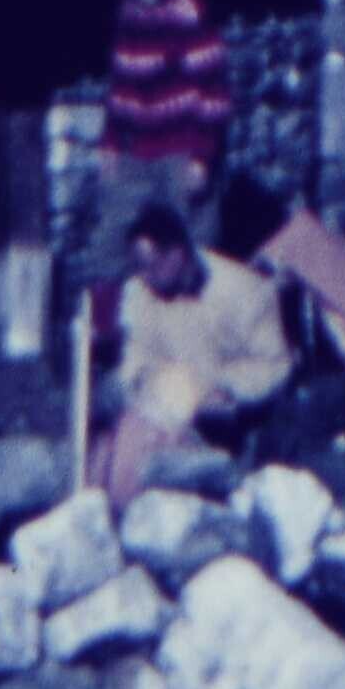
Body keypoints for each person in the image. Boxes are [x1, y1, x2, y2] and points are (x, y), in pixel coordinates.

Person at [98, 205, 296, 499]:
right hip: (168, 409)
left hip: (229, 420)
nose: (144, 276)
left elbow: (275, 366)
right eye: (138, 267)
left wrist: (226, 387)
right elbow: (137, 352)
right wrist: (141, 381)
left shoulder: (245, 291)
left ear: (177, 255)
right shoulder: (139, 292)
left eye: (150, 266)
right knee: (119, 440)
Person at [93, 0, 235, 258]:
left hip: (182, 146)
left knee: (193, 240)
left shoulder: (189, 15)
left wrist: (201, 159)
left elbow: (214, 95)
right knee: (113, 237)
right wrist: (111, 143)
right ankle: (113, 291)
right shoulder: (128, 18)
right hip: (138, 148)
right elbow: (122, 88)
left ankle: (201, 289)